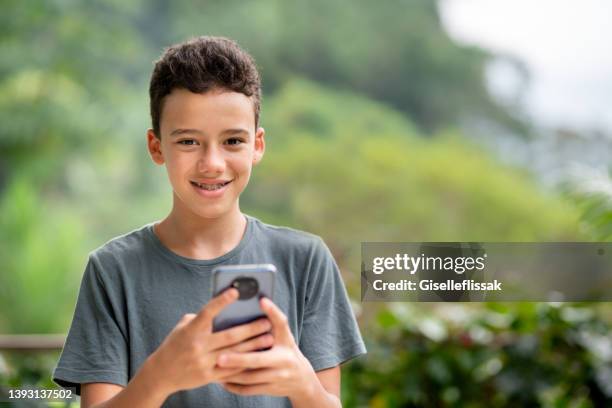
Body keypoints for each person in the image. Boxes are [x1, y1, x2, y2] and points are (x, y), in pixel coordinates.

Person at [52, 36, 366, 407]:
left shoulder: (306, 261)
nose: (212, 163)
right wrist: (160, 375)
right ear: (156, 147)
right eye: (188, 142)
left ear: (258, 145)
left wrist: (302, 385)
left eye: (233, 141)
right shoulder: (112, 270)